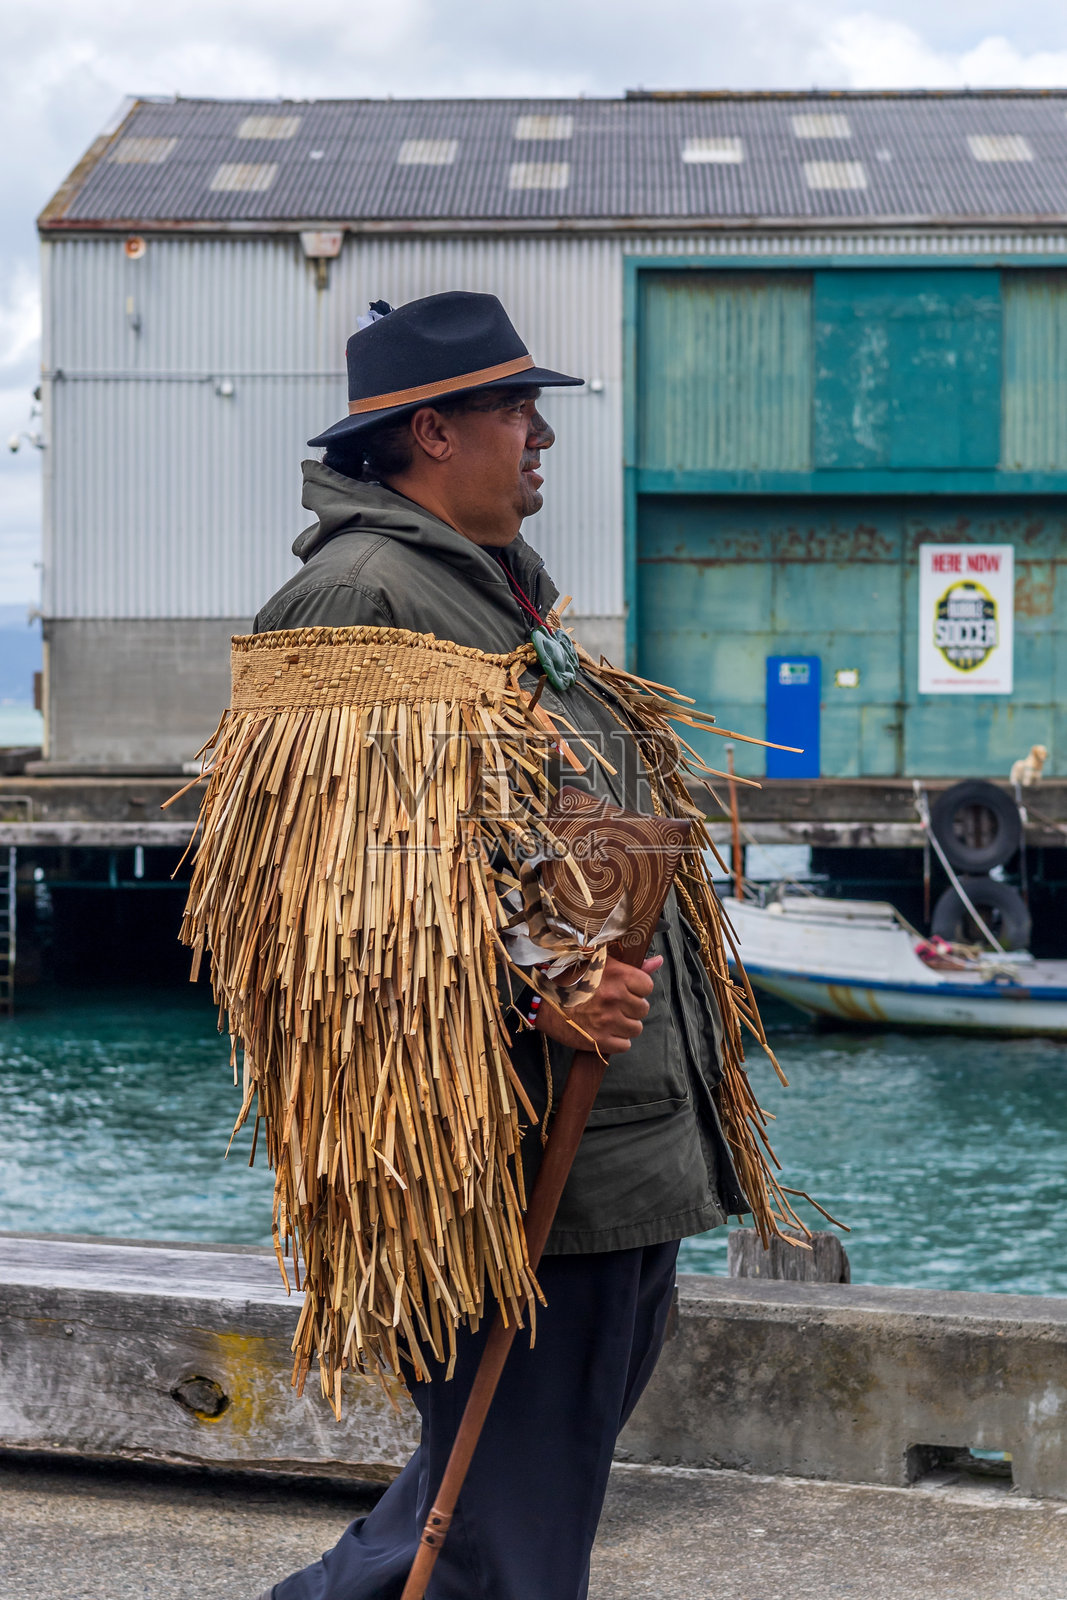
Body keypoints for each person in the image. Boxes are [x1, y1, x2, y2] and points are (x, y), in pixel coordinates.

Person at [253, 291, 747, 1600]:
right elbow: (332, 899)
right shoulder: (363, 599)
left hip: (609, 1144)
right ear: (429, 431)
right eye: (515, 407)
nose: (540, 435)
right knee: (502, 1537)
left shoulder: (494, 596)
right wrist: (531, 994)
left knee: (483, 1507)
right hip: (512, 1150)